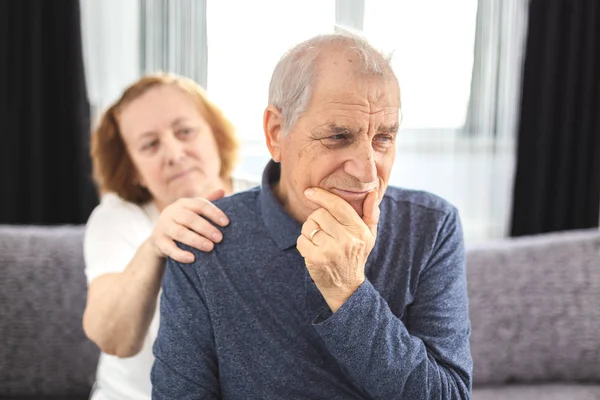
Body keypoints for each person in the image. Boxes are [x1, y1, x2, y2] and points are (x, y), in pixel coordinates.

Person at [152, 33, 472, 399]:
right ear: (276, 134)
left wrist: (349, 292)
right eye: (338, 136)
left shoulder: (432, 227)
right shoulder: (206, 238)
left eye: (383, 138)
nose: (368, 173)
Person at [82, 73, 257, 400]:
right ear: (133, 168)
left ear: (214, 135)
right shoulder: (117, 218)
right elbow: (113, 338)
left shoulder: (262, 199)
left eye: (185, 132)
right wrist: (155, 245)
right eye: (150, 145)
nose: (174, 153)